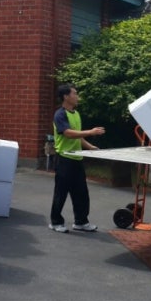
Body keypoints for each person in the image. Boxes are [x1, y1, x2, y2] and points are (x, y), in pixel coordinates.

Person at [49, 83, 105, 233]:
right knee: (61, 193)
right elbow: (68, 133)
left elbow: (77, 136)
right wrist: (91, 132)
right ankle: (56, 222)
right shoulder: (60, 114)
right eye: (74, 94)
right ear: (66, 96)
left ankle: (81, 222)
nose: (77, 97)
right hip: (64, 159)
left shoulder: (76, 114)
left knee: (81, 192)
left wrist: (90, 147)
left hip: (77, 159)